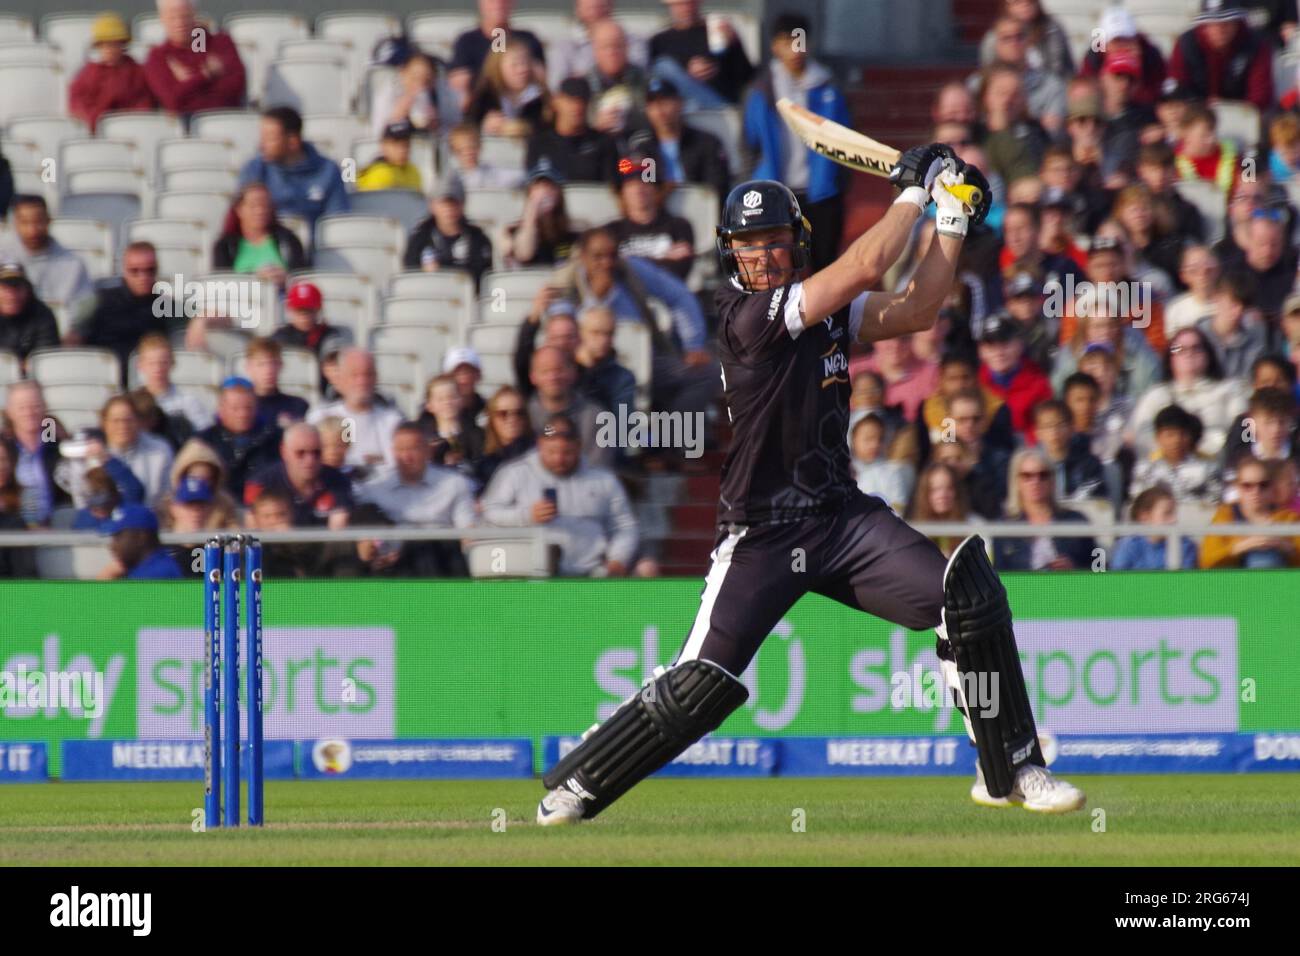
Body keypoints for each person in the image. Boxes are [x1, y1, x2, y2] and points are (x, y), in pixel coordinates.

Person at [535, 152, 1085, 825]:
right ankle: (582, 781)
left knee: (966, 600)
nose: (761, 256)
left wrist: (951, 216)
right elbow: (862, 267)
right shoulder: (746, 316)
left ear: (793, 243)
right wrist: (913, 191)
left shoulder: (826, 312)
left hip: (840, 519)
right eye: (747, 245)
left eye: (772, 242)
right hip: (762, 531)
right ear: (730, 254)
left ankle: (1014, 767)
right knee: (700, 686)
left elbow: (917, 309)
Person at [742, 13, 848, 271]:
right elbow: (749, 143)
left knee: (823, 264)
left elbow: (844, 142)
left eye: (800, 41)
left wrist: (836, 183)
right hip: (776, 193)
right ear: (774, 46)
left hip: (821, 195)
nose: (795, 49)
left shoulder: (828, 88)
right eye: (788, 41)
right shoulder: (762, 91)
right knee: (780, 266)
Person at [481, 413, 637, 576]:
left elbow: (624, 525)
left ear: (579, 446)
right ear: (540, 444)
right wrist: (527, 515)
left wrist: (618, 559)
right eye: (552, 451)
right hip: (532, 575)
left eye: (567, 452)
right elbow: (488, 513)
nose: (559, 459)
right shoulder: (514, 473)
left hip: (593, 574)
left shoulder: (603, 479)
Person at [357, 421, 478, 574]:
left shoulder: (454, 484)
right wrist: (376, 555)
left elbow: (468, 532)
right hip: (395, 562)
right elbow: (366, 540)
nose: (407, 456)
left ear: (428, 451)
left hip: (443, 558)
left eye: (413, 449)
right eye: (401, 450)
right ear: (393, 452)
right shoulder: (374, 489)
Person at [1129, 326, 1246, 457]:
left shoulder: (1230, 391)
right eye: (1179, 349)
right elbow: (1141, 434)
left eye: (1196, 348)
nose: (1189, 353)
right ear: (1170, 357)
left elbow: (1243, 434)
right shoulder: (1155, 395)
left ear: (1208, 354)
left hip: (1219, 464)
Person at [66, 243, 169, 383]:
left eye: (150, 270)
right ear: (124, 270)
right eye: (135, 271)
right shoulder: (99, 301)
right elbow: (73, 336)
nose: (143, 276)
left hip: (147, 383)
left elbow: (193, 317)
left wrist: (199, 322)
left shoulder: (166, 306)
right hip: (102, 381)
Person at [237, 107, 349, 229]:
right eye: (262, 137)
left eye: (270, 138)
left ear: (293, 142)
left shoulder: (328, 171)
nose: (261, 145)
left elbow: (337, 221)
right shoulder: (254, 169)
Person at [993, 447, 1097, 571]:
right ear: (1017, 482)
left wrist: (1074, 570)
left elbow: (1100, 568)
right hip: (1021, 589)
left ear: (1053, 480)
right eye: (1027, 476)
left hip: (1069, 588)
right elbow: (997, 579)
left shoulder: (1077, 521)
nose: (1035, 481)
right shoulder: (1004, 527)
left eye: (1043, 475)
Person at [307, 349, 404, 473]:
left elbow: (397, 468)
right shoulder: (319, 418)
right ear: (340, 378)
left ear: (376, 378)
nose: (362, 381)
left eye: (368, 374)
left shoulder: (393, 422)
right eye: (355, 375)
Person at [1168, 0, 1274, 112]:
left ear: (1236, 22)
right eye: (1212, 23)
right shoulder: (1186, 44)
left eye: (1226, 22)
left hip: (1241, 113)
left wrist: (1228, 107)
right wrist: (1201, 105)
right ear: (1205, 25)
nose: (1219, 30)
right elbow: (1178, 88)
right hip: (1195, 113)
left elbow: (1261, 95)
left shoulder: (1255, 45)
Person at [143, 0, 245, 115]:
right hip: (185, 128)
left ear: (194, 15)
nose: (179, 23)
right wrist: (205, 75)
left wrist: (185, 85)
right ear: (162, 19)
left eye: (185, 16)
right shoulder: (158, 56)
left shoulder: (220, 43)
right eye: (172, 17)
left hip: (224, 119)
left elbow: (234, 91)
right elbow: (172, 102)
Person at [0, 196, 95, 319]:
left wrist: (76, 332)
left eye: (38, 221)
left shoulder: (73, 264)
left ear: (48, 221)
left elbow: (85, 303)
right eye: (25, 222)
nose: (32, 230)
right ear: (15, 224)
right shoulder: (2, 256)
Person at [243, 423, 352, 529]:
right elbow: (252, 531)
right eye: (300, 453)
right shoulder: (260, 484)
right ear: (284, 451)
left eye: (316, 453)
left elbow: (337, 534)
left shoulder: (337, 480)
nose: (310, 460)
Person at [649, 0, 754, 109]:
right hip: (680, 111)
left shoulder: (717, 31)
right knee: (663, 66)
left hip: (719, 108)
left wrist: (735, 44)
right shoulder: (659, 41)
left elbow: (747, 76)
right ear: (670, 6)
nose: (686, 8)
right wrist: (687, 73)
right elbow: (656, 86)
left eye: (690, 3)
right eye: (680, 4)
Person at [639, 76, 729, 201]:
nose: (659, 110)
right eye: (653, 104)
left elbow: (717, 188)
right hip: (661, 216)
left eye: (665, 101)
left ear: (680, 103)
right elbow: (645, 189)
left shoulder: (706, 143)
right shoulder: (644, 150)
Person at [605, 157, 694, 281]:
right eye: (631, 184)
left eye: (645, 183)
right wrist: (665, 258)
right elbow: (608, 272)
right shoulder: (611, 231)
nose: (638, 189)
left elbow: (679, 271)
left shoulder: (679, 226)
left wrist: (625, 262)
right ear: (622, 193)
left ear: (657, 190)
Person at [1200, 459, 1300, 568]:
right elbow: (1207, 562)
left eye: (1263, 485)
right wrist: (1242, 546)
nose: (1256, 491)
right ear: (1238, 488)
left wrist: (1286, 546)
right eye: (1247, 486)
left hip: (1282, 580)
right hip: (1233, 582)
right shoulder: (1224, 516)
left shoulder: (1289, 518)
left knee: (1267, 557)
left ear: (1272, 488)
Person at [447, 0, 546, 109]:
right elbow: (458, 84)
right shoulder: (467, 41)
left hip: (525, 108)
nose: (498, 4)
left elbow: (541, 78)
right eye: (492, 1)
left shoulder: (527, 39)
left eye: (504, 1)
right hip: (482, 110)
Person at [195, 377, 281, 500]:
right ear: (221, 409)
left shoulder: (274, 438)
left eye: (248, 408)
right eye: (235, 408)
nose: (243, 414)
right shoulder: (204, 442)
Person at [68, 12, 155, 132]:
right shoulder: (88, 74)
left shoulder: (137, 73)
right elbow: (79, 105)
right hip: (97, 134)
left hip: (132, 130)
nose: (110, 49)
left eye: (115, 44)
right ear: (98, 47)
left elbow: (143, 104)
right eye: (105, 45)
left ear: (123, 44)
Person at [402, 178, 494, 291]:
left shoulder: (478, 239)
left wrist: (441, 270)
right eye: (443, 203)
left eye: (454, 204)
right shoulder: (419, 239)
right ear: (432, 206)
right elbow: (410, 276)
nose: (449, 209)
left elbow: (482, 278)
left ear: (462, 205)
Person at [212, 182, 308, 285]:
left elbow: (301, 278)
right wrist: (255, 278)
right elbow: (222, 284)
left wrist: (285, 278)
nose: (260, 211)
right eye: (253, 206)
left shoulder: (288, 240)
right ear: (239, 210)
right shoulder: (225, 246)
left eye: (265, 205)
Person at [525, 77, 619, 183]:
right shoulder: (539, 144)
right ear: (556, 102)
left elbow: (610, 188)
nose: (577, 107)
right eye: (570, 100)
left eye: (582, 100)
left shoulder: (603, 143)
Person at [2, 381, 67, 525]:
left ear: (45, 408)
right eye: (22, 408)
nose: (29, 413)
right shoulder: (3, 449)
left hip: (55, 524)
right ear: (9, 412)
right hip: (12, 525)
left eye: (35, 406)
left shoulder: (58, 447)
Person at [1129, 404, 1222, 504]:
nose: (1176, 440)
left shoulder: (1208, 470)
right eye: (1170, 435)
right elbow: (1137, 506)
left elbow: (1215, 505)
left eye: (1182, 434)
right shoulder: (1144, 471)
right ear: (1158, 437)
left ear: (1190, 436)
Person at [502, 160, 580, 267]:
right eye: (538, 187)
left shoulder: (571, 232)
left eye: (549, 186)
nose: (544, 192)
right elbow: (524, 254)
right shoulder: (513, 231)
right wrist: (532, 209)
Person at [465, 37, 547, 137]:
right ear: (498, 66)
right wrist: (484, 126)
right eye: (515, 65)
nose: (522, 69)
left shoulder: (541, 97)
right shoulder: (485, 96)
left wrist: (523, 128)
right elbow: (467, 129)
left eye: (526, 63)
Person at [133, 333, 215, 432]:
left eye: (163, 362)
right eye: (151, 363)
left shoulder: (188, 402)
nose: (158, 369)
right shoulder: (131, 402)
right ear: (140, 365)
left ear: (172, 363)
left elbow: (206, 434)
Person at [100, 394, 173, 505]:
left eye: (128, 420)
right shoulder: (90, 452)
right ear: (104, 423)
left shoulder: (160, 451)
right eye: (116, 421)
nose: (123, 426)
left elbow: (167, 496)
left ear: (138, 421)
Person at [978, 0, 1072, 80]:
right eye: (1018, 1)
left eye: (1030, 1)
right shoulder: (994, 36)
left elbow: (1057, 69)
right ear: (1006, 6)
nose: (1025, 4)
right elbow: (988, 71)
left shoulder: (1051, 30)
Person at [1111, 484, 1199, 570]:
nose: (1174, 520)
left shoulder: (1185, 546)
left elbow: (1185, 582)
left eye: (1174, 513)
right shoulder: (1128, 546)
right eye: (1167, 513)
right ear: (1145, 517)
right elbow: (1117, 581)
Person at [417, 374, 486, 473]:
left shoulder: (476, 435)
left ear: (461, 400)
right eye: (440, 399)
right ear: (429, 405)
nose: (447, 403)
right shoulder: (423, 438)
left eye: (452, 397)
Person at [97, 504, 183, 579]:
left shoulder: (159, 573)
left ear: (141, 538)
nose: (113, 546)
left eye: (118, 537)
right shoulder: (136, 568)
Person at [0, 261, 61, 366]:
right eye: (5, 289)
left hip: (33, 378)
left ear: (28, 290)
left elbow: (46, 360)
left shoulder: (43, 315)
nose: (12, 296)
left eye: (17, 288)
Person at [906, 461, 972, 558]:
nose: (943, 495)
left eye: (949, 488)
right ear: (925, 493)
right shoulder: (912, 532)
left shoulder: (974, 526)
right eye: (935, 489)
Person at [849, 413, 914, 512]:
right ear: (854, 440)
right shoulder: (843, 470)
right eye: (868, 438)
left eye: (880, 438)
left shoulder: (892, 473)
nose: (875, 444)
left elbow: (897, 513)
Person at [370, 52, 439, 140]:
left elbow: (450, 131)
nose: (421, 83)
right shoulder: (387, 94)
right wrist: (399, 114)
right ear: (403, 73)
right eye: (415, 77)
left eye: (427, 79)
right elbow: (379, 133)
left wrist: (435, 124)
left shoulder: (438, 93)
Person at [245, 337, 309, 429]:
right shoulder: (241, 409)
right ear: (249, 367)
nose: (268, 370)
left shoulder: (297, 405)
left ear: (281, 365)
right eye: (261, 364)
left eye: (273, 363)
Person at [477, 386, 534, 487]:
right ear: (492, 419)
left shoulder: (540, 454)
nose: (512, 419)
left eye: (519, 413)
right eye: (503, 414)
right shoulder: (483, 465)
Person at [447, 122, 525, 190]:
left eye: (472, 148)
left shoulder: (491, 172)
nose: (468, 153)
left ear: (480, 147)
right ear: (455, 153)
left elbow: (518, 177)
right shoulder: (452, 178)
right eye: (461, 150)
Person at [356, 121, 423, 193]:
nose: (402, 149)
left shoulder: (413, 171)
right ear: (383, 146)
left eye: (406, 143)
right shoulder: (379, 174)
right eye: (396, 144)